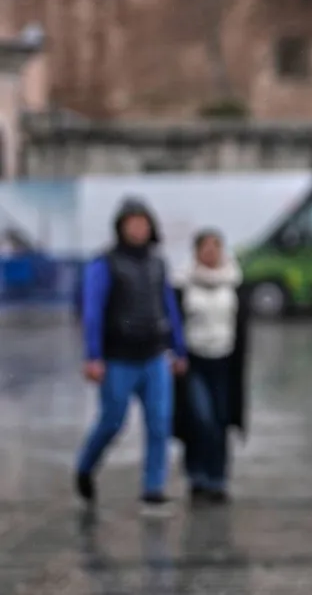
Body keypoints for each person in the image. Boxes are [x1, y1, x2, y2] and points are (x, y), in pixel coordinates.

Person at [75, 199, 188, 516]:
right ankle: (85, 467)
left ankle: (153, 490)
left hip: (153, 355)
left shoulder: (157, 262)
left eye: (143, 223)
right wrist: (93, 356)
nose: (138, 229)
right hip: (118, 358)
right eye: (132, 223)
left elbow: (169, 307)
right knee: (112, 421)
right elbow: (93, 311)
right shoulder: (105, 264)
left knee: (159, 422)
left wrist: (178, 348)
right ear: (121, 227)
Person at [173, 229, 251, 503]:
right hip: (194, 361)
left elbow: (241, 325)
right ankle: (197, 476)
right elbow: (173, 322)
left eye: (215, 247)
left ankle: (217, 479)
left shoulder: (234, 283)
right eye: (204, 248)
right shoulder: (182, 284)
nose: (210, 253)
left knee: (220, 422)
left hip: (225, 362)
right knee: (200, 419)